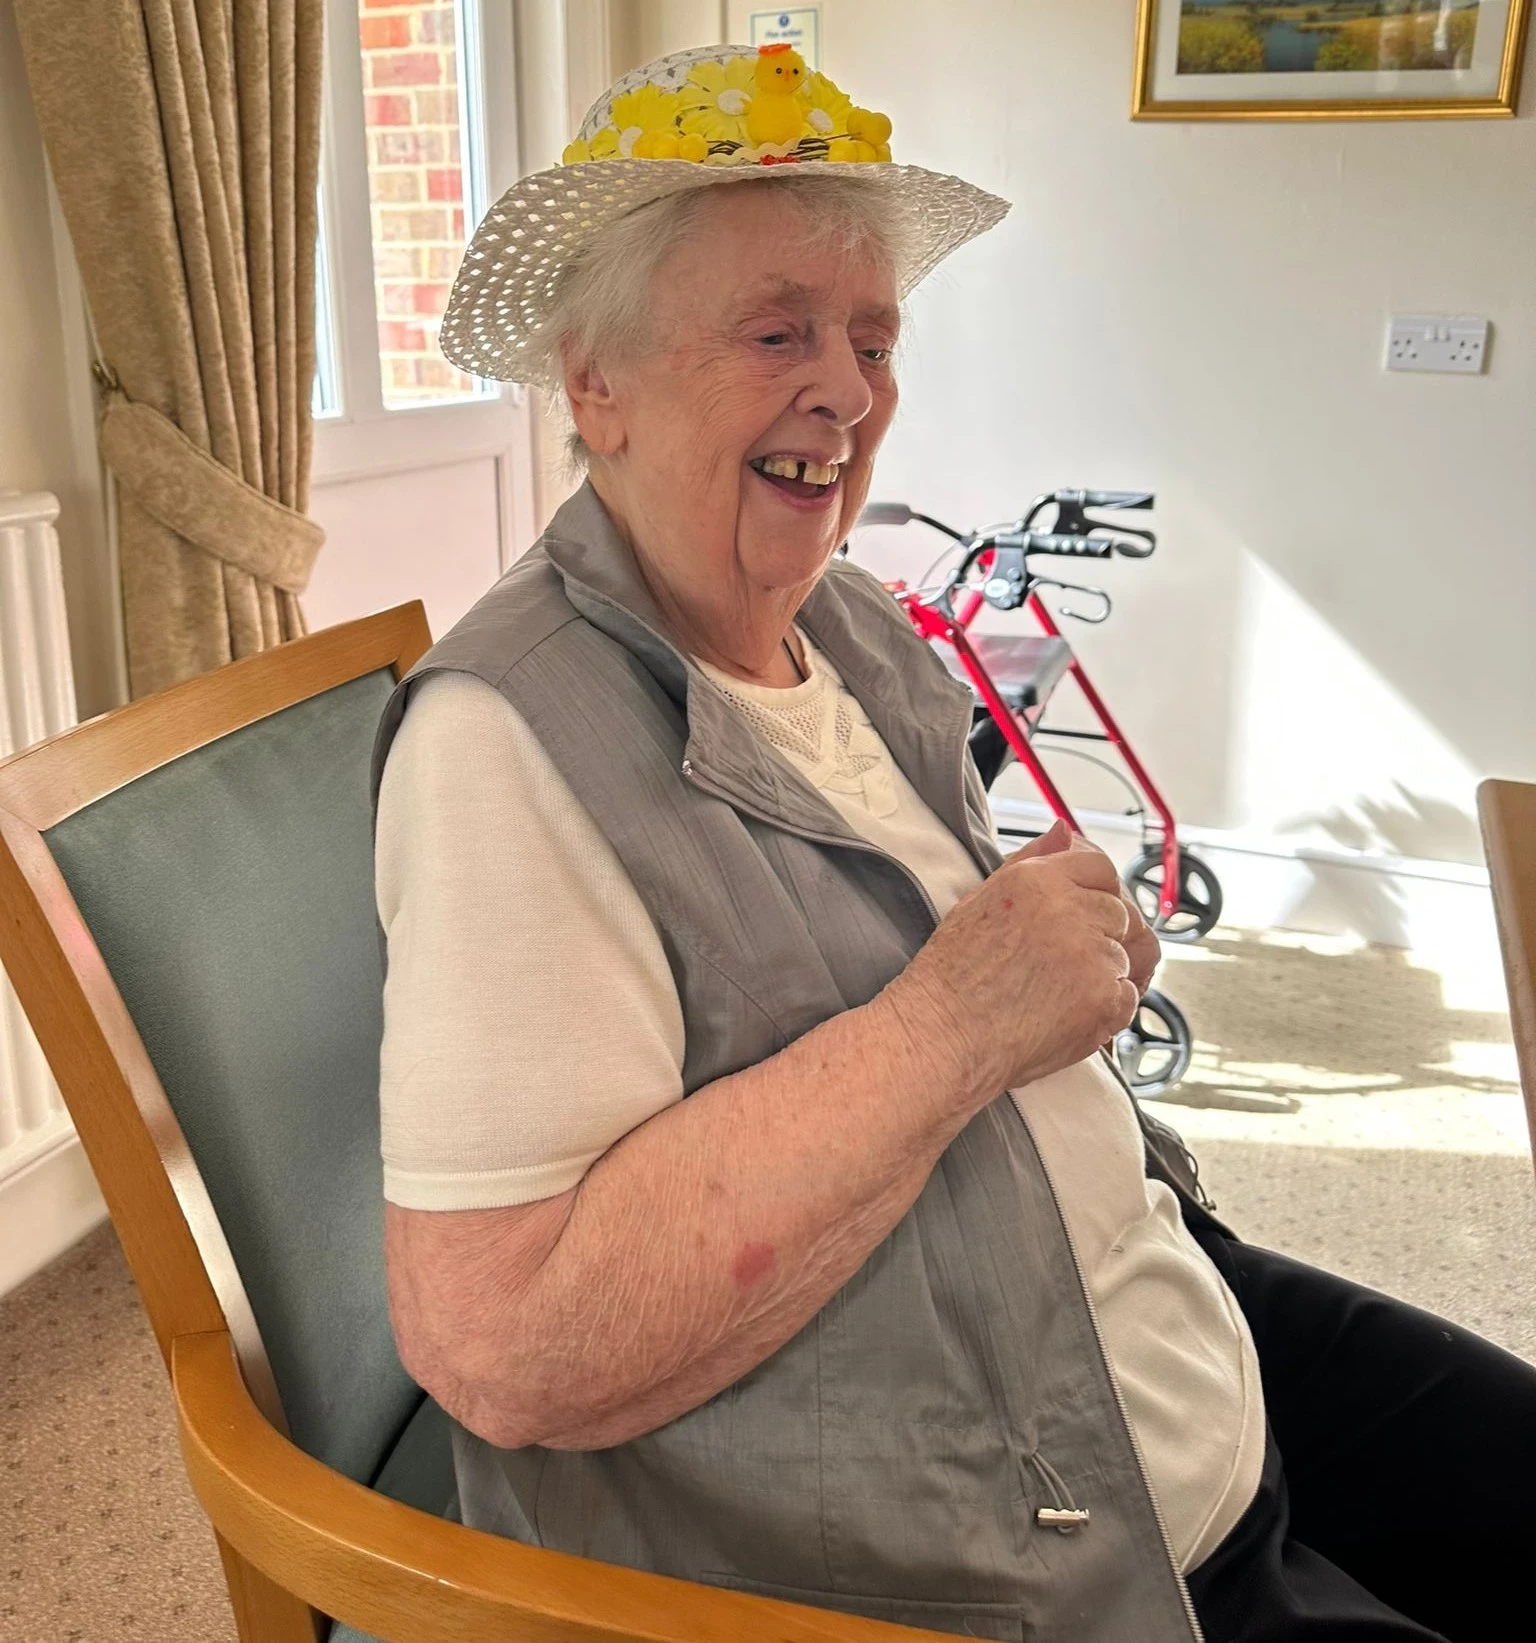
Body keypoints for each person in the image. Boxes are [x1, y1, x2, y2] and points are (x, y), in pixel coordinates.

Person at [372, 44, 1536, 1643]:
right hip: (1021, 1529)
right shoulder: (507, 743)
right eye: (778, 331)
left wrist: (1043, 963)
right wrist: (962, 1015)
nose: (848, 391)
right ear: (597, 383)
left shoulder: (846, 624)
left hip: (1156, 1305)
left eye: (871, 336)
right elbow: (503, 1346)